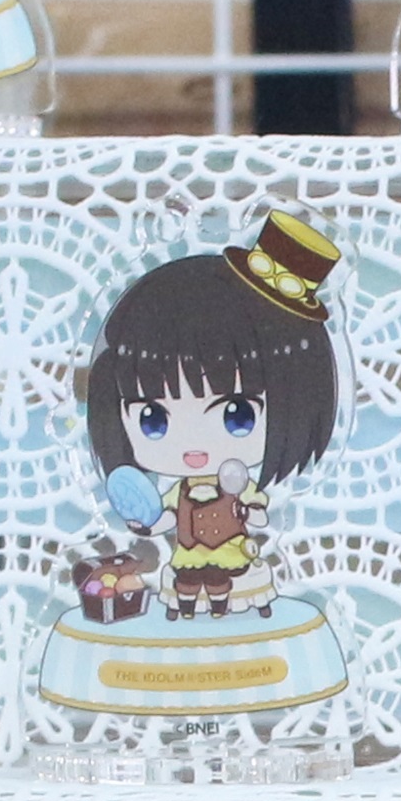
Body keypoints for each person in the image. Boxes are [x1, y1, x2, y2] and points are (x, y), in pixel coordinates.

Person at [81, 215, 345, 620]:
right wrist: (145, 526)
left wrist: (253, 514)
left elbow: (258, 511)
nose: (193, 446)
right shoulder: (179, 492)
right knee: (187, 585)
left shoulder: (239, 485)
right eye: (153, 420)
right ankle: (187, 612)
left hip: (234, 556)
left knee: (227, 585)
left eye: (237, 416)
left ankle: (222, 610)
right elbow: (166, 517)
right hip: (188, 557)